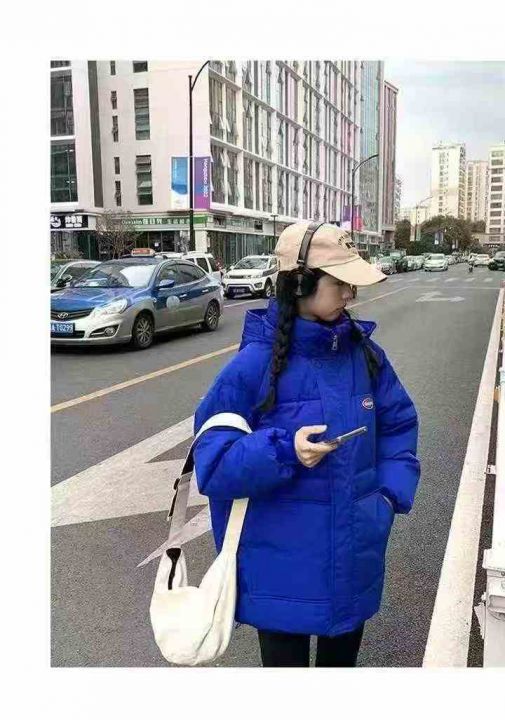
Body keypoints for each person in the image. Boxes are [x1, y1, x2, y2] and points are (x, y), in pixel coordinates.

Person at [193, 222, 420, 667]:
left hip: (353, 553)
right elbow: (214, 464)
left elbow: (399, 427)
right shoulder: (253, 365)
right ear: (300, 284)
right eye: (340, 284)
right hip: (279, 569)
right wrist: (284, 451)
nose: (350, 295)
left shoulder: (365, 355)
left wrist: (386, 499)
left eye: (352, 285)